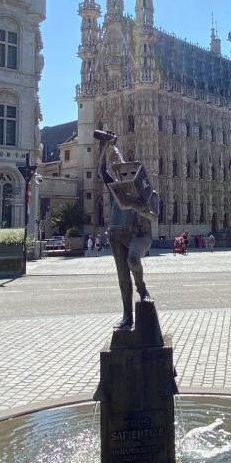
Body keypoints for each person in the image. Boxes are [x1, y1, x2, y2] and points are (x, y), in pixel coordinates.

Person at [97, 133, 156, 330]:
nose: (126, 174)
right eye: (123, 172)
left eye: (132, 172)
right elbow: (101, 170)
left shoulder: (149, 193)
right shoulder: (116, 189)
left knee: (133, 259)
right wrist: (105, 147)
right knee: (122, 278)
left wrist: (141, 209)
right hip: (116, 234)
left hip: (139, 236)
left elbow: (154, 218)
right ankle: (126, 316)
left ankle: (142, 288)